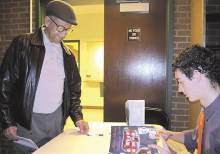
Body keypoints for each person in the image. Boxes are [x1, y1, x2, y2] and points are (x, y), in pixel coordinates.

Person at [0, 0, 89, 152]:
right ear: (47, 21)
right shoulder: (22, 44)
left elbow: (74, 91)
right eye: (61, 28)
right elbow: (4, 85)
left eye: (68, 30)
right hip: (28, 121)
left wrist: (78, 118)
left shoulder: (68, 55)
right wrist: (7, 122)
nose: (64, 34)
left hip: (56, 121)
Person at [149, 45, 220, 153]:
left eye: (181, 82)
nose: (179, 90)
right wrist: (169, 134)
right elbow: (196, 137)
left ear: (196, 75)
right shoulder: (206, 107)